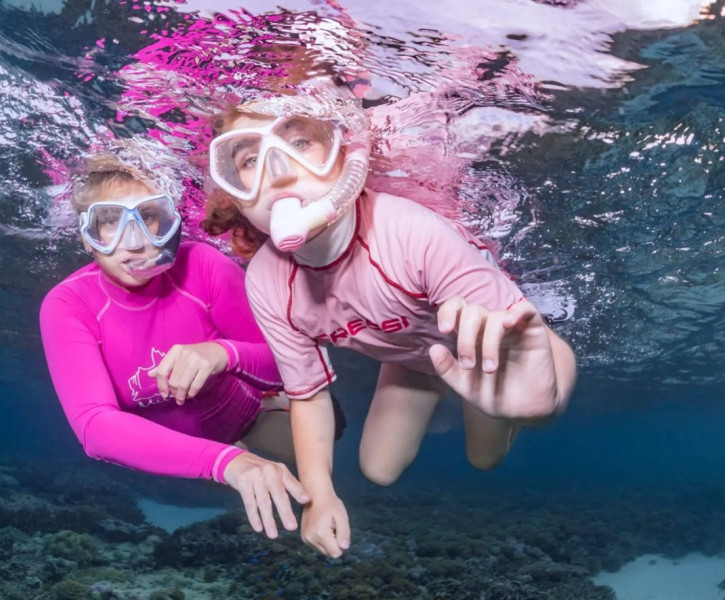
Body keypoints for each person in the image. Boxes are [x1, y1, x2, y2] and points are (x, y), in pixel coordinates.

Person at [202, 78, 577, 558]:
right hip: (409, 357)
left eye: (300, 142)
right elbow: (308, 394)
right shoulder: (266, 281)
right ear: (233, 194)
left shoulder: (408, 229)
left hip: (480, 344)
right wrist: (319, 496)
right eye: (248, 159)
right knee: (378, 469)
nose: (277, 171)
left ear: (345, 159)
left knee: (486, 458)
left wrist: (540, 403)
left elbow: (511, 336)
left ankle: (540, 363)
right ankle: (473, 393)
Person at [39, 137, 313, 540]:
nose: (133, 243)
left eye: (148, 217)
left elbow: (294, 362)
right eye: (111, 221)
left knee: (331, 432)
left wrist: (224, 354)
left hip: (252, 414)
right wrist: (224, 462)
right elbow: (95, 427)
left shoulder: (203, 265)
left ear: (169, 222)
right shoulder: (68, 304)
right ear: (87, 234)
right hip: (187, 453)